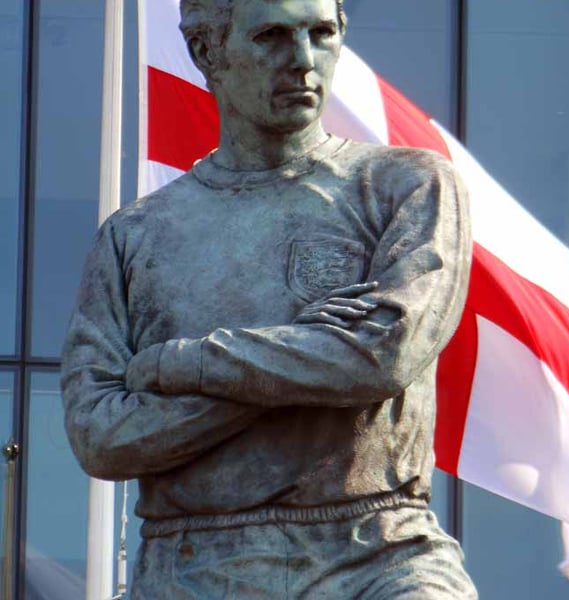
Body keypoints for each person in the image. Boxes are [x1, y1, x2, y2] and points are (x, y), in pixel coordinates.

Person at [61, 0, 477, 597]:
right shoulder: (135, 237)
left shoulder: (406, 185)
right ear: (208, 51)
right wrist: (305, 361)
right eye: (273, 36)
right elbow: (100, 436)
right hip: (193, 564)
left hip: (379, 553)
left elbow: (383, 356)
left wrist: (183, 365)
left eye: (322, 33)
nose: (303, 60)